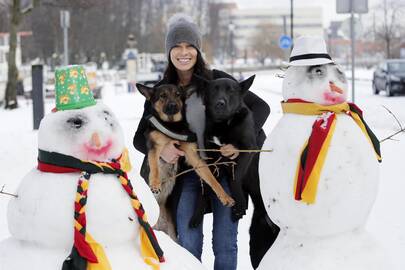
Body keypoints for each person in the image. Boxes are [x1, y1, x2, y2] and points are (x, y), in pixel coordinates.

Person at [133, 13, 270, 270]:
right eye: (177, 47)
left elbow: (260, 108)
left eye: (189, 46)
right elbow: (140, 138)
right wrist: (163, 151)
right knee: (188, 240)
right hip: (187, 176)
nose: (183, 52)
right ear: (169, 52)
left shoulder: (216, 81)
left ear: (197, 50)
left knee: (226, 241)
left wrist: (240, 144)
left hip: (224, 173)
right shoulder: (162, 91)